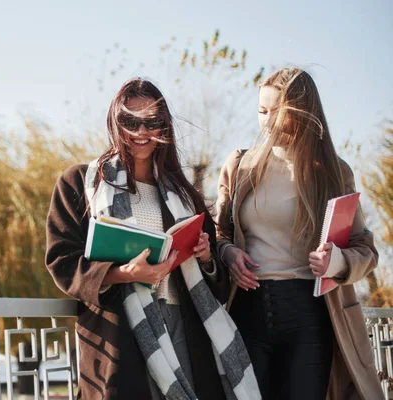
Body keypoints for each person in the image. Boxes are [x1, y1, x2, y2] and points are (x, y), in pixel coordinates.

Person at [46, 78, 259, 399]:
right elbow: (61, 259)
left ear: (165, 126)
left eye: (152, 122)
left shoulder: (185, 196)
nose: (141, 132)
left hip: (182, 323)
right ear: (115, 123)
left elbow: (216, 281)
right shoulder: (82, 183)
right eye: (130, 122)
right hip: (119, 330)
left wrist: (204, 257)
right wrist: (122, 274)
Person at [216, 67, 382, 399]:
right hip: (245, 312)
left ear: (302, 114)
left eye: (276, 112)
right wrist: (228, 253)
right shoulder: (240, 165)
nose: (266, 121)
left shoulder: (333, 173)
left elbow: (366, 250)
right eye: (262, 111)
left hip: (310, 315)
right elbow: (218, 231)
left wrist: (336, 262)